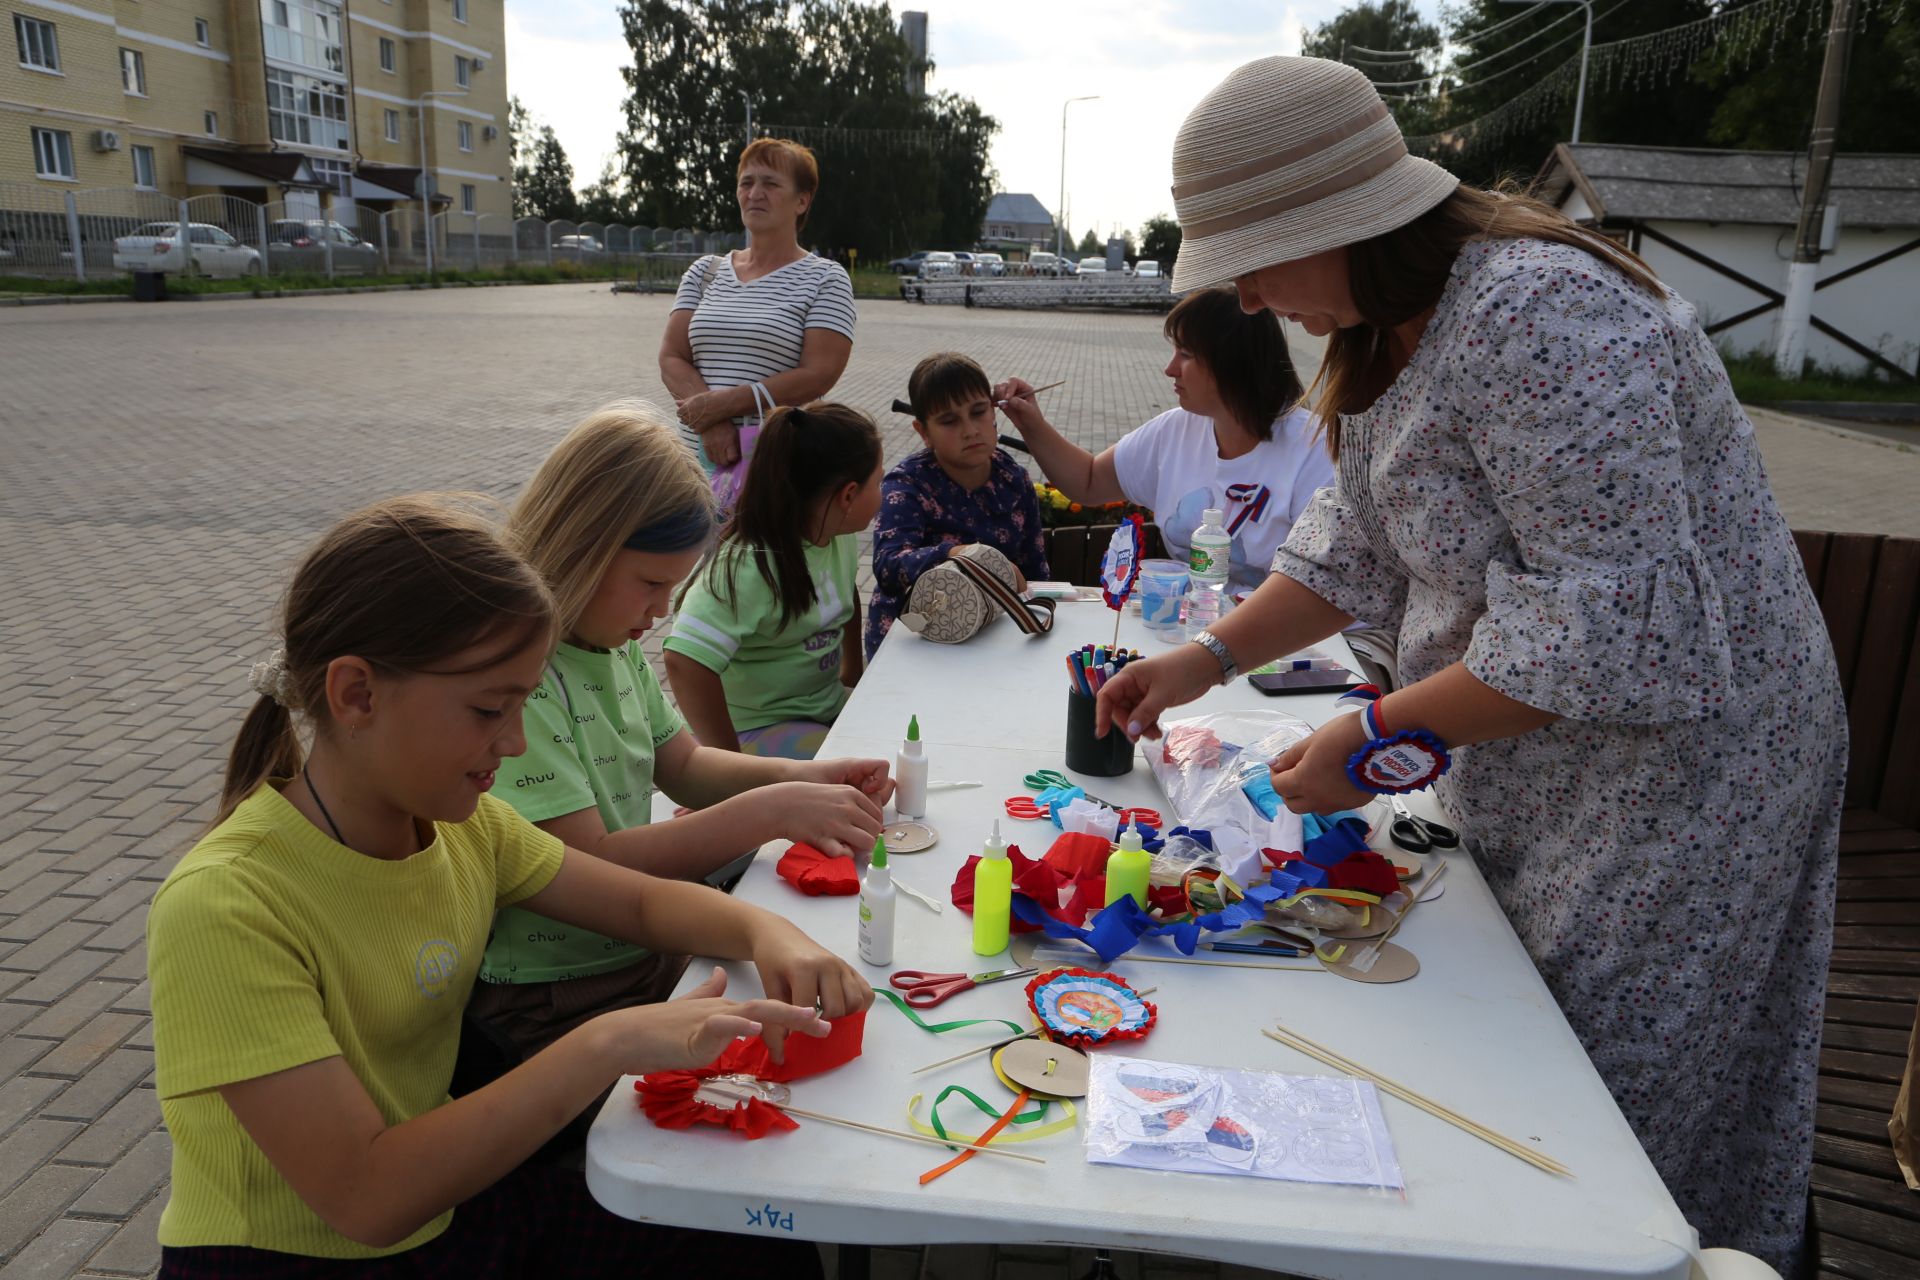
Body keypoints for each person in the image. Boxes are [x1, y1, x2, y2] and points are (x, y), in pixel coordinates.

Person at [1095, 56, 1843, 1271]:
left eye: (1248, 252)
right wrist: (1203, 657)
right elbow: (1353, 553)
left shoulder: (1538, 313)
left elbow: (1606, 630)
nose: (1241, 290)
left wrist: (1375, 734)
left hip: (1684, 775)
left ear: (1330, 223)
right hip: (1543, 748)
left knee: (1608, 1090)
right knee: (1520, 1034)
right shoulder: (1389, 327)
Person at [146, 495, 867, 1278]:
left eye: (523, 704)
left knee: (746, 1240)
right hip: (304, 1256)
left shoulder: (465, 826)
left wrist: (772, 936)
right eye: (490, 708)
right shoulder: (226, 904)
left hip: (448, 1207)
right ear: (356, 694)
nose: (515, 743)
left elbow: (638, 902)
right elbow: (366, 1198)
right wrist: (611, 1041)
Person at [467, 403, 892, 1057]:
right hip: (554, 996)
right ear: (585, 547)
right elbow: (596, 863)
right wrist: (773, 810)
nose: (662, 611)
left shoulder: (610, 644)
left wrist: (808, 776)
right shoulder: (518, 685)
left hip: (642, 956)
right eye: (650, 584)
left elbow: (685, 765)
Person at [996, 286, 1329, 597]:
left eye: (1185, 354)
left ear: (1231, 362)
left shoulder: (1314, 449)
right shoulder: (1177, 430)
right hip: (1200, 629)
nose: (1170, 369)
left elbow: (1319, 588)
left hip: (1302, 644)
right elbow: (1089, 481)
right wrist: (1031, 423)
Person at [665, 403, 881, 758]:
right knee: (855, 774)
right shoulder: (750, 566)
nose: (883, 490)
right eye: (879, 479)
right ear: (848, 495)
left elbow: (846, 598)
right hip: (754, 729)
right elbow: (684, 660)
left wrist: (852, 677)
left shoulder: (836, 533)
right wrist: (727, 771)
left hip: (816, 714)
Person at [658, 138, 856, 480]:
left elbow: (819, 373)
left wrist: (726, 405)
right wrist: (712, 421)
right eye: (746, 183)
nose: (755, 193)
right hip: (690, 465)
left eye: (771, 183)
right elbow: (672, 357)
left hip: (774, 469)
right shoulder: (706, 271)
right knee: (691, 534)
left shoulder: (826, 277)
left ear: (802, 200)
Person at [867, 352, 1050, 657]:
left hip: (991, 635)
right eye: (949, 420)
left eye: (978, 412)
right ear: (924, 432)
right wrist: (959, 555)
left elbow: (1036, 573)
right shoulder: (907, 485)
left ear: (995, 413)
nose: (970, 430)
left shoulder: (1013, 480)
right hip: (913, 643)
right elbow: (888, 566)